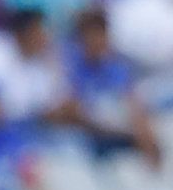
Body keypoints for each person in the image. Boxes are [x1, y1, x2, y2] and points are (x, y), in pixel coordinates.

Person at [65, 8, 162, 166]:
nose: (96, 41)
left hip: (117, 134)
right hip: (84, 139)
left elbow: (133, 105)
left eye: (100, 35)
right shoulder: (68, 67)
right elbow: (72, 110)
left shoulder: (117, 67)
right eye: (90, 35)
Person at [0, 9, 68, 127]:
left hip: (21, 131)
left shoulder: (41, 61)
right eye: (40, 31)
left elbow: (50, 105)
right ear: (25, 32)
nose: (45, 37)